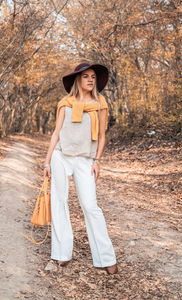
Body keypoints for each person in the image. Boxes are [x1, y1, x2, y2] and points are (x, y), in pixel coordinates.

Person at [43, 62, 118, 275]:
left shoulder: (100, 103)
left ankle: (106, 257)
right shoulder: (65, 103)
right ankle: (61, 254)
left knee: (90, 205)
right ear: (78, 79)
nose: (90, 80)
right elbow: (56, 133)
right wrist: (47, 161)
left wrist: (97, 160)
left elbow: (102, 135)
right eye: (86, 76)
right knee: (59, 202)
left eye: (93, 76)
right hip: (61, 156)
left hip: (85, 159)